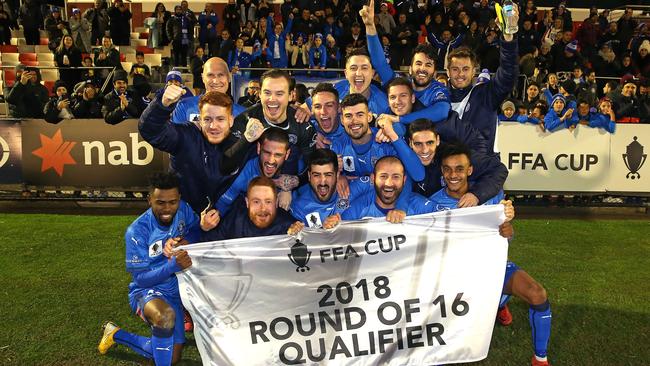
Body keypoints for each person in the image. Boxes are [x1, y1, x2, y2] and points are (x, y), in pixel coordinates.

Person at [430, 143, 550, 366]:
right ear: (442, 171)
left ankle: (540, 359)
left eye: (459, 168)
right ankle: (498, 303)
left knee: (537, 294)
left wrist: (508, 231)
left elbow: (506, 237)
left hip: (491, 268)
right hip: (454, 277)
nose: (453, 175)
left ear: (470, 170)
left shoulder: (492, 197)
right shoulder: (432, 203)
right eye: (447, 169)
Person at [98, 172, 199, 365]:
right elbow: (141, 279)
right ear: (149, 200)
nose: (167, 208)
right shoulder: (137, 231)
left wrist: (186, 240)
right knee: (164, 316)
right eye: (160, 203)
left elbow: (197, 231)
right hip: (147, 290)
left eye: (172, 202)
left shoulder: (184, 210)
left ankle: (115, 334)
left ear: (179, 199)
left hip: (177, 291)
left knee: (172, 358)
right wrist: (172, 266)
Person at [140, 87, 263, 215]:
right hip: (186, 218)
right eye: (207, 119)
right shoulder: (187, 137)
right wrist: (162, 105)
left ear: (231, 121)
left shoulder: (245, 141)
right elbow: (151, 131)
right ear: (200, 120)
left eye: (220, 119)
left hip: (224, 221)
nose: (213, 126)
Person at [360, 0, 450, 124]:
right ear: (410, 68)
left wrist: (399, 119)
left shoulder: (438, 90)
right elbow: (379, 63)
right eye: (418, 63)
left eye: (428, 65)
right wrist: (370, 26)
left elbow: (441, 111)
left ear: (435, 73)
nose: (422, 68)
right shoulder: (400, 84)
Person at [445, 4, 520, 151]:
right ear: (447, 72)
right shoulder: (438, 98)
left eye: (465, 69)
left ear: (474, 71)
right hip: (449, 171)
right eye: (455, 69)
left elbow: (508, 74)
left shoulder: (486, 95)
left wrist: (508, 38)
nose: (460, 74)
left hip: (483, 170)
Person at [231, 69, 316, 176]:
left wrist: (294, 182)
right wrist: (246, 140)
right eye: (267, 93)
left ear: (290, 95)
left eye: (279, 94)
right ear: (260, 93)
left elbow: (312, 167)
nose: (272, 99)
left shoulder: (303, 124)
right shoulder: (244, 121)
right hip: (248, 185)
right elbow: (227, 166)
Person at [406, 118, 507, 205]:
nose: (425, 150)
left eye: (430, 143)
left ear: (437, 140)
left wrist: (476, 195)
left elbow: (498, 169)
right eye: (418, 144)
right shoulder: (403, 160)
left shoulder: (454, 155)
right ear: (410, 143)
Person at [331, 93, 424, 182]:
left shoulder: (386, 140)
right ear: (342, 120)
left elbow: (419, 175)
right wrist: (338, 177)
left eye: (360, 115)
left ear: (369, 117)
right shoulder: (337, 146)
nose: (354, 121)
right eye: (348, 116)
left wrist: (393, 136)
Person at [215, 128, 297, 215]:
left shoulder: (294, 164)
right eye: (267, 152)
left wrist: (288, 189)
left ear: (287, 154)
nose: (271, 160)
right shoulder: (243, 175)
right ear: (258, 148)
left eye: (278, 155)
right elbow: (222, 206)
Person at [199, 176, 301, 241]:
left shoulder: (288, 225)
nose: (262, 208)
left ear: (276, 203)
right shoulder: (235, 220)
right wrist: (206, 229)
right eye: (256, 202)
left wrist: (300, 234)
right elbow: (210, 247)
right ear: (247, 203)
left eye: (268, 201)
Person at [290, 148, 372, 227]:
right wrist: (324, 231)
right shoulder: (299, 208)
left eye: (328, 175)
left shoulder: (358, 188)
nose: (322, 182)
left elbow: (382, 189)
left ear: (337, 175)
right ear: (309, 176)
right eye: (316, 175)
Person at [171, 57, 246, 124]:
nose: (216, 81)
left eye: (221, 75)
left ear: (229, 77)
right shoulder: (185, 107)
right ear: (203, 77)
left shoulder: (242, 114)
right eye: (210, 75)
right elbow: (173, 137)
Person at [310, 83, 345, 149]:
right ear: (312, 110)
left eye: (329, 105)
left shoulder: (350, 130)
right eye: (318, 106)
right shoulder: (306, 130)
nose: (323, 112)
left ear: (339, 108)